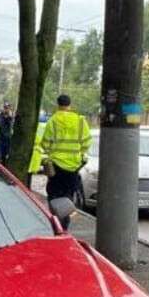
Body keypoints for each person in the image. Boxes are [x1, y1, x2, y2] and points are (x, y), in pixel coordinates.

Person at [41, 94, 91, 231]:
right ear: (70, 104)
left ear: (58, 104)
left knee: (53, 194)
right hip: (73, 167)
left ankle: (55, 224)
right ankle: (65, 225)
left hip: (56, 166)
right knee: (68, 197)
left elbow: (45, 143)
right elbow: (87, 143)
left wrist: (52, 151)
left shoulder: (53, 120)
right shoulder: (81, 121)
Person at [26, 112, 48, 188]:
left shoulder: (33, 126)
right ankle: (28, 187)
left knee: (28, 172)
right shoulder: (46, 127)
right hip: (38, 152)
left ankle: (27, 187)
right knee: (31, 172)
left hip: (31, 150)